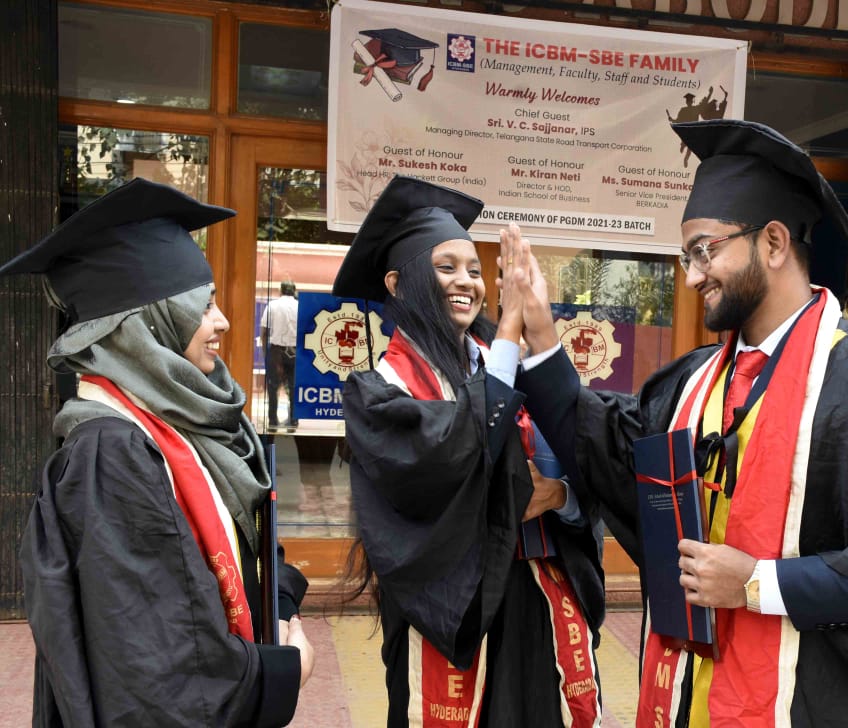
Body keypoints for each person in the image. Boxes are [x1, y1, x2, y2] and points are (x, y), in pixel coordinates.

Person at [507, 120, 848, 727]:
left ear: (772, 243)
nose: (691, 276)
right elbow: (607, 451)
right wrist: (541, 340)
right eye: (687, 255)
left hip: (820, 701)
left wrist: (760, 584)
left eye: (705, 250)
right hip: (694, 695)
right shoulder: (693, 384)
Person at [2, 178, 315, 726]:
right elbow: (159, 675)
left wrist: (278, 608)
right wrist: (287, 671)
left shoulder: (178, 421)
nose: (222, 322)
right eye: (204, 305)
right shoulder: (110, 453)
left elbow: (240, 552)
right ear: (148, 326)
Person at [331, 175, 605, 727]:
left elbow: (583, 457)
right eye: (446, 267)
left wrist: (562, 496)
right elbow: (451, 456)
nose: (468, 282)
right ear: (399, 284)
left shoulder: (513, 364)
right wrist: (508, 329)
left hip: (538, 598)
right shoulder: (381, 391)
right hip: (451, 613)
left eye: (476, 270)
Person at [260, 280, 299, 430]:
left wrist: (265, 352)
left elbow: (264, 332)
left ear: (280, 291)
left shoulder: (273, 306)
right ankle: (294, 419)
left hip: (276, 352)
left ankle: (273, 419)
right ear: (294, 290)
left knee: (273, 387)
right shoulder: (299, 306)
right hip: (295, 351)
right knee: (293, 387)